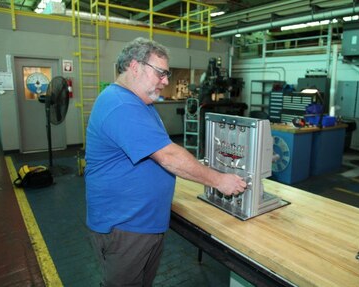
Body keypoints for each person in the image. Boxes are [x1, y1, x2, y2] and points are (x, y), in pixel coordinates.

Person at [84, 37, 247, 287]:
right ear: (135, 66)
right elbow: (168, 155)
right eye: (161, 73)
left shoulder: (140, 103)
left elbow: (155, 148)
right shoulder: (121, 104)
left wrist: (199, 165)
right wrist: (219, 180)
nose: (166, 81)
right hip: (125, 227)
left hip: (143, 223)